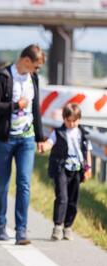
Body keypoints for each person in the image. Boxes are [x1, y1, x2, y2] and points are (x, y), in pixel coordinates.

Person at [0, 44, 46, 245]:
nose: (37, 71)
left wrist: (40, 137)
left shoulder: (33, 79)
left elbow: (35, 109)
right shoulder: (3, 76)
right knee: (3, 182)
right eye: (36, 66)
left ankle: (21, 230)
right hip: (4, 138)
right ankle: (1, 225)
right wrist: (15, 106)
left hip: (26, 138)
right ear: (27, 61)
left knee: (24, 183)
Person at [46, 103, 92, 241]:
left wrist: (88, 168)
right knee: (62, 197)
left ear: (79, 119)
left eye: (74, 121)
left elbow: (87, 151)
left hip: (77, 170)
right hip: (62, 168)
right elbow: (50, 142)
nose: (71, 124)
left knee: (73, 200)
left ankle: (68, 227)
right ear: (64, 119)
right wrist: (44, 146)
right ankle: (58, 226)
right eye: (68, 121)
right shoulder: (58, 132)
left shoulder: (82, 134)